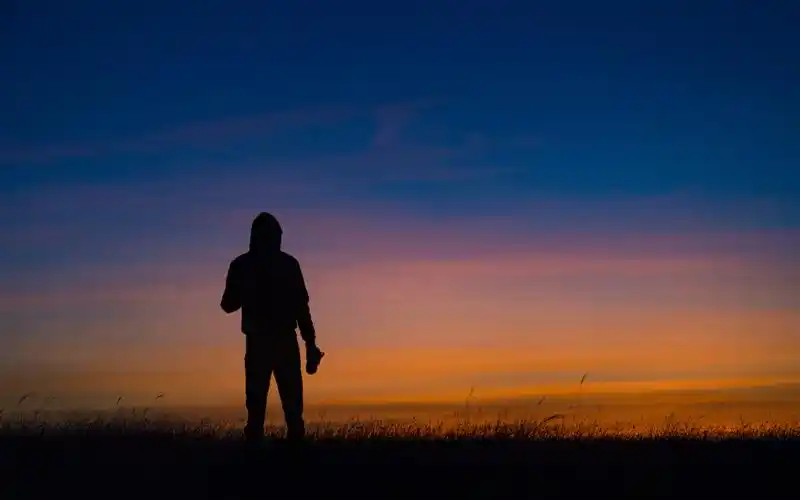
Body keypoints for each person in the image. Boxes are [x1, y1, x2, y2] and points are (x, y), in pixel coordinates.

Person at [220, 212, 324, 442]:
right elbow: (302, 310)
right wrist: (311, 343)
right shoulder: (288, 265)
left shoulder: (242, 265)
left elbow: (227, 305)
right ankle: (294, 463)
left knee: (257, 411)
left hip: (259, 343)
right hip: (283, 342)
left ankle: (257, 463)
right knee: (292, 411)